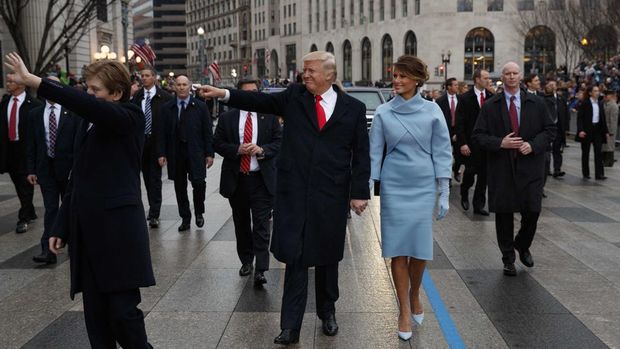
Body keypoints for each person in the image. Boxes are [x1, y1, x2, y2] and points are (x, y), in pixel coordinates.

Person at [200, 51, 370, 345]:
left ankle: (327, 312)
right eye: (304, 70)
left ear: (329, 74)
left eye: (311, 70)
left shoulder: (353, 109)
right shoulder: (293, 97)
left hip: (331, 195)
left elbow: (361, 154)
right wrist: (225, 93)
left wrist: (358, 193)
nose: (305, 75)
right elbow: (258, 100)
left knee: (328, 257)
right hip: (294, 194)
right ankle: (290, 325)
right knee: (296, 258)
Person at [4, 53, 155, 347]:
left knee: (124, 316)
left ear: (117, 93)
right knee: (96, 321)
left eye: (95, 90)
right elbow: (77, 180)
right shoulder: (85, 125)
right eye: (87, 88)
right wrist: (60, 227)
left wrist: (36, 82)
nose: (89, 94)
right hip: (87, 235)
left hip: (119, 234)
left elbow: (90, 107)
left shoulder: (129, 117)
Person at [369, 55, 451, 341]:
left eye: (403, 76)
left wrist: (445, 191)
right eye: (395, 76)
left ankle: (415, 293)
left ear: (417, 79)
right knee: (397, 249)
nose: (397, 81)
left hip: (422, 184)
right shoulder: (383, 112)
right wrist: (368, 188)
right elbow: (374, 153)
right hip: (394, 185)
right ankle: (404, 309)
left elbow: (442, 151)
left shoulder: (432, 111)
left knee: (419, 250)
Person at [473, 62, 555, 277]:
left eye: (515, 73)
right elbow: (478, 136)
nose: (511, 77)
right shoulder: (491, 105)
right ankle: (508, 257)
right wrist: (500, 143)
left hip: (530, 167)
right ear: (502, 77)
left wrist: (533, 145)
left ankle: (522, 243)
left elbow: (550, 130)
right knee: (504, 215)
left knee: (533, 210)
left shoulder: (536, 103)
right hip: (502, 167)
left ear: (521, 77)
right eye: (507, 73)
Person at [213, 78, 282, 286]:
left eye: (255, 92)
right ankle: (246, 260)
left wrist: (262, 150)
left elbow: (279, 142)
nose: (252, 96)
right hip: (238, 179)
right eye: (247, 92)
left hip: (262, 179)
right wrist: (236, 149)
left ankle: (261, 268)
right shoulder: (228, 118)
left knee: (261, 225)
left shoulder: (269, 117)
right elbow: (217, 143)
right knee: (241, 223)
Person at [26, 75, 80, 264]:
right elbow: (31, 144)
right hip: (45, 169)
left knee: (71, 207)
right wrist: (31, 169)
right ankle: (47, 250)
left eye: (55, 86)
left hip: (68, 169)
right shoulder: (35, 113)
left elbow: (77, 142)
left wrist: (77, 166)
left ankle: (75, 247)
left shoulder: (71, 112)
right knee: (50, 209)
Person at [158, 75, 214, 231]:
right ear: (174, 87)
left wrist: (209, 153)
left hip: (196, 152)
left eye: (184, 84)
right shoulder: (167, 108)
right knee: (179, 187)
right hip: (176, 153)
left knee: (199, 183)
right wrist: (161, 153)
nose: (182, 87)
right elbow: (161, 133)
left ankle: (199, 212)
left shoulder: (200, 107)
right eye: (179, 85)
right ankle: (185, 218)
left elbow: (207, 132)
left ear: (190, 86)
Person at [0, 74, 42, 233]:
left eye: (11, 81)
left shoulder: (34, 104)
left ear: (21, 85)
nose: (8, 83)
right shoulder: (4, 103)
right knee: (18, 183)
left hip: (26, 150)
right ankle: (30, 211)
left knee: (26, 184)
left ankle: (23, 217)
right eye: (8, 80)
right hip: (9, 150)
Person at [131, 67, 172, 228]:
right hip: (140, 144)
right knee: (145, 179)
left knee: (155, 179)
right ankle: (146, 209)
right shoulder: (138, 97)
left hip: (157, 143)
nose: (144, 78)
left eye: (147, 76)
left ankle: (154, 213)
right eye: (142, 76)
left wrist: (165, 150)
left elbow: (169, 125)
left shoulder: (165, 97)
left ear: (155, 77)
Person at [455, 69, 493, 216]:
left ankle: (479, 205)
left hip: (486, 145)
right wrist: (463, 143)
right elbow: (459, 123)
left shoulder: (491, 97)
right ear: (477, 79)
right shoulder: (465, 98)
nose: (488, 80)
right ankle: (464, 193)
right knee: (470, 174)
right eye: (485, 78)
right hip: (471, 144)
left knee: (484, 177)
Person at [576, 85, 610, 180]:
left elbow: (603, 119)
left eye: (598, 91)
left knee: (598, 152)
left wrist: (606, 131)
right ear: (590, 93)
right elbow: (580, 118)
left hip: (598, 130)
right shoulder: (585, 103)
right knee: (585, 152)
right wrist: (580, 130)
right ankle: (586, 173)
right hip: (587, 130)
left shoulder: (600, 103)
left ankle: (599, 174)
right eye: (595, 91)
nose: (597, 92)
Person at [436, 77, 463, 182]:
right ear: (449, 87)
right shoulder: (440, 101)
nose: (457, 87)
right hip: (445, 131)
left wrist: (458, 132)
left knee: (459, 156)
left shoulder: (461, 99)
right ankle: (447, 179)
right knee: (445, 156)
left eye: (457, 85)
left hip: (458, 130)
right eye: (455, 85)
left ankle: (456, 170)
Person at [543, 80, 568, 178]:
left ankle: (557, 169)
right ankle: (547, 168)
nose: (552, 86)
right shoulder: (544, 99)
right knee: (547, 149)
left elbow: (565, 113)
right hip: (548, 127)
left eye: (553, 85)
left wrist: (566, 128)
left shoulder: (561, 99)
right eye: (550, 85)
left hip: (558, 127)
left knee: (557, 149)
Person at [602, 90, 618, 167]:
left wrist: (611, 131)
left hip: (610, 129)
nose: (605, 96)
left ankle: (609, 162)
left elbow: (613, 120)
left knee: (609, 146)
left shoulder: (613, 106)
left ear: (611, 96)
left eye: (607, 95)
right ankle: (605, 160)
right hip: (605, 128)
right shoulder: (606, 104)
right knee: (605, 145)